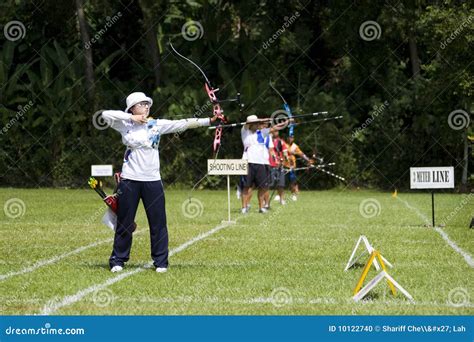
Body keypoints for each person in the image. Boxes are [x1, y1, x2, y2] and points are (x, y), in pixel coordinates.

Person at [100, 92, 218, 273]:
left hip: (152, 181)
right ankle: (118, 260)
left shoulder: (155, 125)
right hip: (130, 180)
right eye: (142, 104)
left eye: (147, 104)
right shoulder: (125, 125)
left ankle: (161, 262)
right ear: (133, 107)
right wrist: (132, 117)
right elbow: (105, 114)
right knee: (125, 222)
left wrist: (210, 120)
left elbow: (183, 123)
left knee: (158, 223)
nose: (146, 107)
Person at [284, 136, 314, 201]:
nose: (290, 139)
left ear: (293, 139)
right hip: (284, 165)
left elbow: (301, 154)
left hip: (292, 166)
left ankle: (294, 195)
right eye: (289, 137)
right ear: (287, 138)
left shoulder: (295, 146)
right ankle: (279, 195)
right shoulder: (283, 144)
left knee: (293, 181)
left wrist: (308, 160)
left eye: (292, 138)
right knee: (281, 181)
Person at [269, 129, 289, 205]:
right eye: (274, 131)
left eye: (277, 131)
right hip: (270, 164)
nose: (276, 132)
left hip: (280, 165)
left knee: (281, 184)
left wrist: (286, 159)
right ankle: (265, 202)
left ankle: (282, 200)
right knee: (268, 184)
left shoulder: (281, 141)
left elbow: (285, 152)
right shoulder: (267, 140)